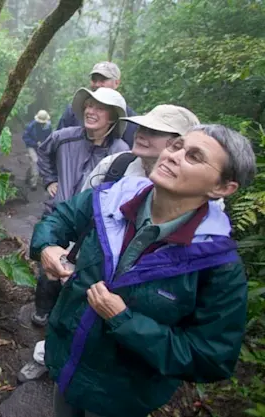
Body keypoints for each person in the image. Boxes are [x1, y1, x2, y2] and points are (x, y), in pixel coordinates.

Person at [32, 124, 255, 417]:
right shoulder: (111, 198)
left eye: (194, 157)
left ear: (222, 188)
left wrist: (124, 321)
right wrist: (47, 246)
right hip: (67, 361)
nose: (173, 156)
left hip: (124, 394)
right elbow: (60, 217)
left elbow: (211, 356)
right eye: (176, 146)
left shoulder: (217, 265)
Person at [32, 87, 130, 327]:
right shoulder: (64, 136)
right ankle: (42, 312)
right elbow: (43, 153)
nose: (90, 111)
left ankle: (63, 320)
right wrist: (50, 180)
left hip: (93, 225)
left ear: (113, 118)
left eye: (99, 108)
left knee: (77, 274)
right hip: (58, 214)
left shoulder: (122, 152)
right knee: (49, 266)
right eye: (88, 105)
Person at [81, 104, 200, 191]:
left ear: (179, 144)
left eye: (154, 131)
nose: (141, 135)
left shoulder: (195, 187)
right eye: (141, 128)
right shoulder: (112, 165)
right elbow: (78, 215)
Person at [57, 62, 138, 148]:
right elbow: (57, 144)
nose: (97, 84)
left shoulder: (129, 118)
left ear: (117, 83)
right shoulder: (73, 110)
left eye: (103, 80)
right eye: (94, 80)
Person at [23, 110, 53, 189]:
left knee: (39, 163)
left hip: (42, 146)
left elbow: (50, 136)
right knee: (35, 161)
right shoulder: (31, 126)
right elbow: (25, 137)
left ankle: (28, 177)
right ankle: (33, 184)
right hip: (31, 146)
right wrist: (35, 143)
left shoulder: (48, 126)